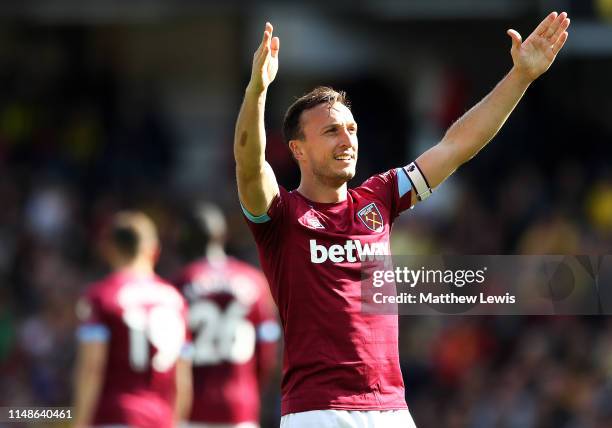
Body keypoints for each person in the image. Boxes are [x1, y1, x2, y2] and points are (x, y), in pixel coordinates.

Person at [234, 12, 570, 428]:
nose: (347, 140)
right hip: (317, 410)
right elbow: (250, 168)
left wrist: (520, 77)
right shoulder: (282, 215)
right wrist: (257, 91)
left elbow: (456, 145)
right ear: (298, 150)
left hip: (390, 408)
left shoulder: (380, 197)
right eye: (331, 131)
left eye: (352, 129)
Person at [73, 211, 192, 428]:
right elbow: (182, 379)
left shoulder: (101, 296)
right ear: (154, 251)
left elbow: (92, 367)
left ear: (108, 250)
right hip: (159, 418)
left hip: (114, 415)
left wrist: (81, 422)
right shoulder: (175, 300)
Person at [175, 203, 280, 428]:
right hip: (240, 404)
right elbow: (267, 348)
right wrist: (252, 388)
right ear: (223, 236)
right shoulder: (254, 282)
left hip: (192, 407)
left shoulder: (180, 284)